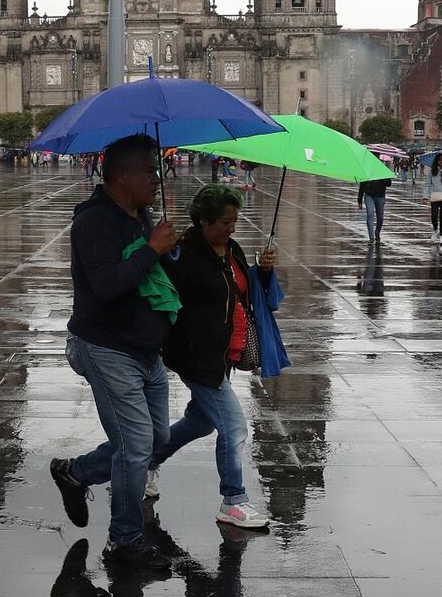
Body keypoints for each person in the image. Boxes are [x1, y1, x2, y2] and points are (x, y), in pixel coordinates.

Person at [50, 134, 179, 570]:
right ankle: (123, 540)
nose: (157, 179)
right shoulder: (94, 221)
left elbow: (147, 271)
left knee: (155, 440)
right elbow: (106, 287)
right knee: (136, 446)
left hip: (145, 349)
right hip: (105, 346)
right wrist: (152, 249)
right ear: (122, 176)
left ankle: (76, 473)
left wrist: (166, 249)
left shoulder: (140, 217)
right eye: (149, 171)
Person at [146, 184, 274, 530]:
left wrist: (262, 271)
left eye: (235, 219)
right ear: (203, 221)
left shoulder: (230, 248)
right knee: (233, 427)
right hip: (198, 355)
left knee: (201, 422)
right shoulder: (184, 254)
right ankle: (233, 500)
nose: (232, 226)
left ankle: (143, 462)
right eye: (225, 221)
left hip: (224, 352)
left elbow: (242, 291)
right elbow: (164, 297)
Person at [422, 154, 442, 245]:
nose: (441, 161)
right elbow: (427, 184)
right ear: (436, 161)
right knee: (434, 215)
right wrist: (425, 196)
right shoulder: (432, 172)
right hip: (435, 195)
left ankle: (441, 236)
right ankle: (435, 230)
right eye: (439, 160)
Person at [357, 177, 392, 245]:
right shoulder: (367, 171)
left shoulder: (382, 170)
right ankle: (371, 237)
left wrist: (383, 178)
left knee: (380, 218)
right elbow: (362, 185)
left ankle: (377, 232)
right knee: (370, 214)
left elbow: (389, 183)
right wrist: (359, 199)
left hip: (380, 196)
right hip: (369, 195)